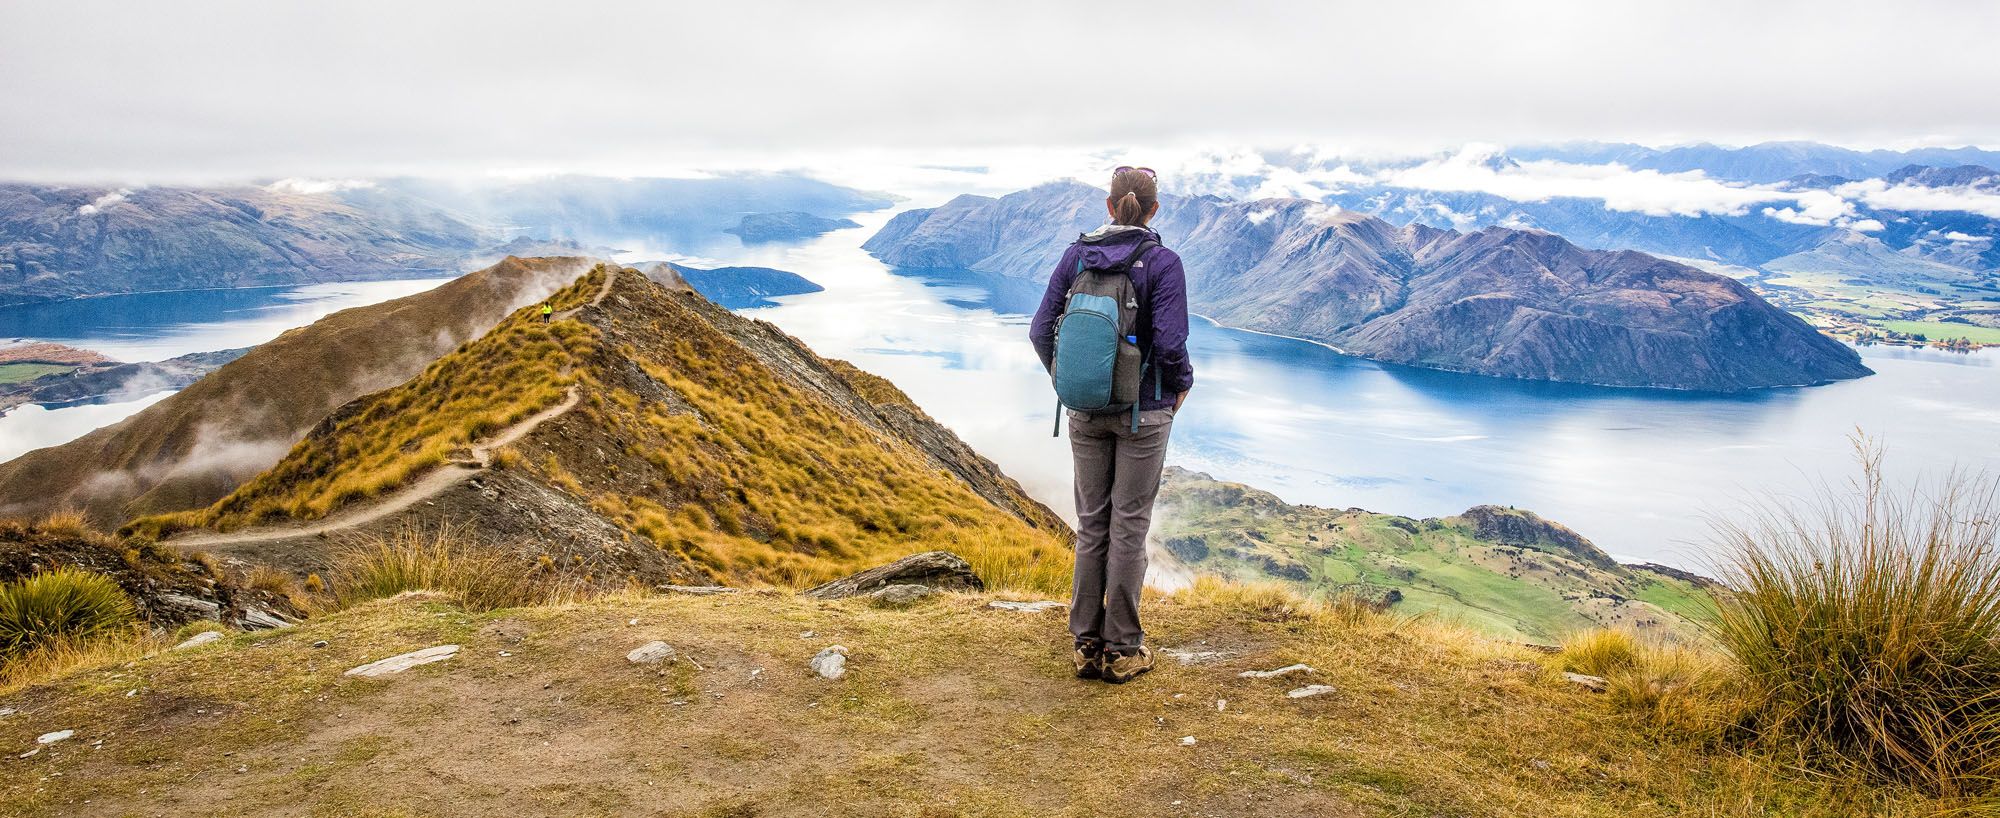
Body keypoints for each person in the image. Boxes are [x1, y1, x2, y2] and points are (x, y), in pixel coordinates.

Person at [1029, 166, 1193, 684]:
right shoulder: (1163, 263)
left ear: (1108, 205)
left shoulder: (1076, 256)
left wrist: (1071, 380)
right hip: (1144, 413)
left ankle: (1085, 645)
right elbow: (1170, 343)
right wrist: (1181, 386)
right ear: (1154, 209)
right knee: (1129, 526)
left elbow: (1040, 331)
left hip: (1085, 411)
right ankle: (1122, 649)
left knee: (1092, 524)